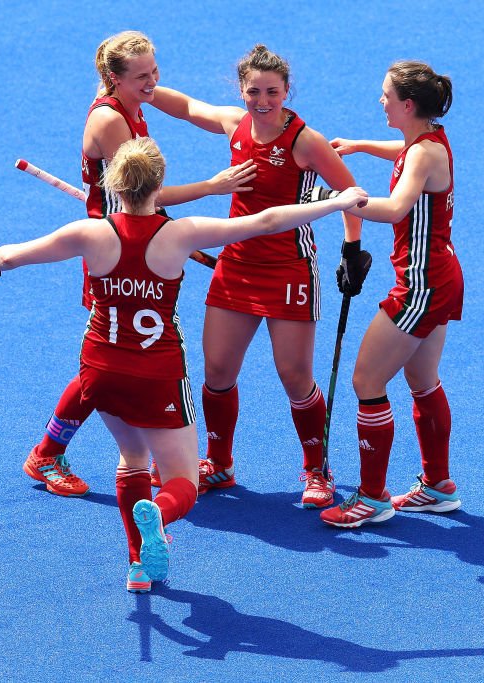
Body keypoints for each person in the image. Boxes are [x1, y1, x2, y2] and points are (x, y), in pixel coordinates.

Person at [0, 137, 367, 590]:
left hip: (100, 371)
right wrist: (338, 202)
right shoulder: (180, 234)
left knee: (132, 459)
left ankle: (138, 564)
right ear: (158, 186)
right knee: (182, 482)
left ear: (115, 185)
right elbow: (268, 220)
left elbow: (12, 254)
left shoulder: (89, 233)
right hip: (157, 375)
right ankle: (159, 514)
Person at [22, 31, 256, 498]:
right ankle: (46, 453)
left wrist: (249, 121)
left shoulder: (132, 95)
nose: (153, 81)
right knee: (104, 360)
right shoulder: (110, 120)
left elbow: (192, 109)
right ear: (115, 79)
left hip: (135, 236)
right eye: (143, 76)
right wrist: (212, 187)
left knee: (108, 358)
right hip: (113, 249)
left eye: (155, 70)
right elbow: (143, 192)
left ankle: (51, 449)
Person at [149, 44, 370, 509]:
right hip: (237, 266)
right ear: (242, 91)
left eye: (272, 91)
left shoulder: (304, 141)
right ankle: (219, 463)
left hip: (290, 267)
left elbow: (352, 195)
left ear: (288, 91)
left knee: (294, 376)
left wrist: (352, 250)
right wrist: (141, 91)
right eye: (254, 91)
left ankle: (317, 470)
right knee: (217, 371)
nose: (262, 100)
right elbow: (189, 108)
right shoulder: (237, 124)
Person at [318, 61, 462, 528]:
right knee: (422, 381)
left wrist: (344, 201)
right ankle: (438, 486)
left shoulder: (422, 155)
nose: (379, 101)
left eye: (385, 96)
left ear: (407, 105)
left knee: (367, 381)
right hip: (440, 275)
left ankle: (373, 498)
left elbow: (398, 205)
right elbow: (404, 155)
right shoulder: (426, 142)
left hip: (419, 284)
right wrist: (360, 146)